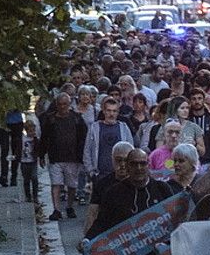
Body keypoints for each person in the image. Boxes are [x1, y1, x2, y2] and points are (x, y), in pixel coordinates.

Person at [37, 92, 88, 221]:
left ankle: (69, 206)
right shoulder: (50, 119)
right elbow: (44, 138)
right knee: (56, 183)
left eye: (65, 104)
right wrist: (41, 154)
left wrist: (83, 156)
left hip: (72, 157)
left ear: (69, 104)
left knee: (72, 185)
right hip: (55, 157)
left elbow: (83, 137)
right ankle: (56, 209)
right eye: (60, 104)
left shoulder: (77, 119)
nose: (62, 107)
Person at [84, 96, 135, 185]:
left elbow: (131, 150)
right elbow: (87, 150)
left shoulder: (123, 127)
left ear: (118, 112)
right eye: (109, 110)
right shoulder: (94, 128)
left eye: (114, 111)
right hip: (100, 175)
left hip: (121, 175)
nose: (111, 114)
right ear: (103, 111)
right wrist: (91, 172)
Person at [19, 120, 40, 203]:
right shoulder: (22, 139)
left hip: (33, 161)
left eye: (33, 131)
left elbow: (38, 148)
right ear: (26, 131)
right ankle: (28, 196)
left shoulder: (35, 139)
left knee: (34, 178)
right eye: (30, 131)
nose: (32, 133)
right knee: (26, 179)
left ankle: (35, 196)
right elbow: (19, 148)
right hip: (24, 162)